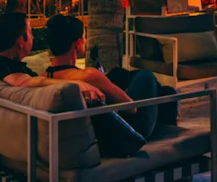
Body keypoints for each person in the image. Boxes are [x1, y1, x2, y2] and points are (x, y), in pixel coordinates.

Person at [43, 14, 178, 140]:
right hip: (129, 131)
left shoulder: (44, 76)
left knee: (118, 75)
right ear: (78, 44)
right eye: (84, 37)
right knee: (147, 76)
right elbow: (131, 108)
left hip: (102, 130)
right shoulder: (88, 76)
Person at [0, 13, 104, 104]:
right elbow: (24, 81)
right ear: (21, 41)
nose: (33, 37)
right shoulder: (2, 67)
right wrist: (76, 84)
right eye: (30, 33)